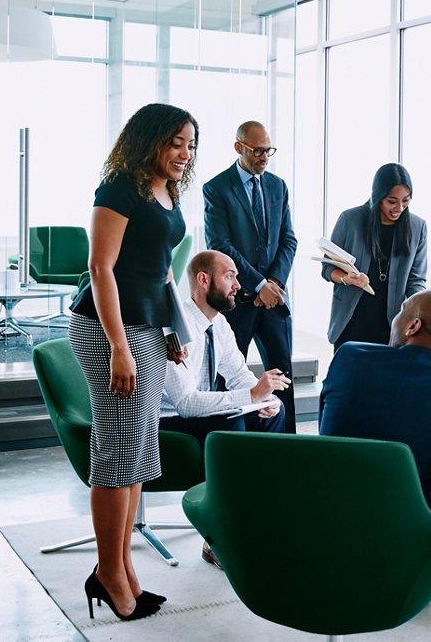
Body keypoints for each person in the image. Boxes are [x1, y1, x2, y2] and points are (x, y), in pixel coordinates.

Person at [66, 102, 198, 622]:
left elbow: (163, 271)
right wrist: (119, 345)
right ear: (149, 141)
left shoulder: (167, 190)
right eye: (174, 143)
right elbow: (100, 268)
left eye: (189, 144)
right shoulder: (119, 188)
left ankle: (121, 567)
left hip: (145, 327)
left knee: (139, 448)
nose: (183, 154)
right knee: (119, 448)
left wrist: (173, 330)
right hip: (106, 329)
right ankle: (109, 573)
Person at [318, 289, 431, 520]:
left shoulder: (349, 357)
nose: (394, 319)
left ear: (413, 326)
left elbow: (325, 434)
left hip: (322, 510)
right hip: (404, 530)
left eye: (401, 311)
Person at [202, 120, 298, 431]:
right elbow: (221, 245)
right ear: (238, 147)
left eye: (268, 150)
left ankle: (286, 448)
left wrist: (273, 285)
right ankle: (229, 447)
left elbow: (289, 240)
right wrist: (258, 284)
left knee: (282, 377)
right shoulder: (216, 189)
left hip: (274, 300)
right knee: (227, 377)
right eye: (257, 151)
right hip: (236, 301)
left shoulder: (277, 186)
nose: (264, 156)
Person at [160, 250, 291, 445]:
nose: (237, 286)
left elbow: (238, 376)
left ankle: (263, 476)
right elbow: (185, 404)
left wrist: (265, 398)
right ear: (203, 280)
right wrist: (252, 395)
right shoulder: (176, 327)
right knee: (231, 425)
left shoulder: (219, 324)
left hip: (201, 413)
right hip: (169, 420)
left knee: (274, 410)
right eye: (229, 276)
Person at [322, 163, 427, 350]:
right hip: (351, 321)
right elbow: (327, 269)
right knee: (349, 378)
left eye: (406, 201)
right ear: (378, 196)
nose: (399, 208)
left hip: (392, 324)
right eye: (392, 201)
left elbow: (416, 281)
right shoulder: (349, 220)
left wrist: (421, 312)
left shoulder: (418, 227)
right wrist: (347, 278)